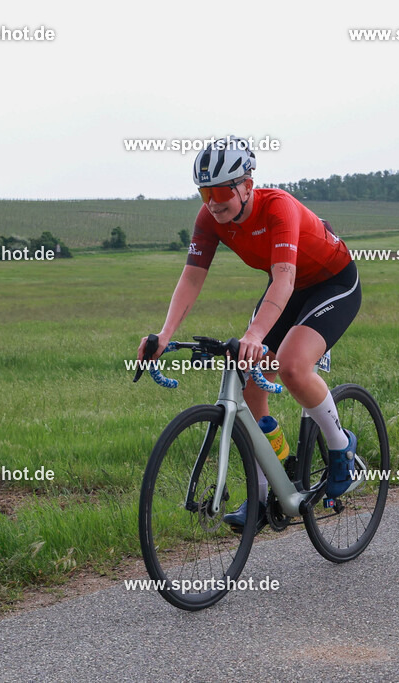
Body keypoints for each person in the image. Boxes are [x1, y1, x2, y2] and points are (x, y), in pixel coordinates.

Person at [137, 136, 362, 530]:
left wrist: (256, 335)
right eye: (205, 191)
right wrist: (163, 335)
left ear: (247, 184)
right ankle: (267, 489)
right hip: (286, 288)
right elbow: (191, 278)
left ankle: (341, 446)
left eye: (222, 190)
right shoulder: (210, 218)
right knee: (249, 382)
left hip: (332, 282)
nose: (213, 201)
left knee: (291, 367)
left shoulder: (279, 208)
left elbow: (284, 278)